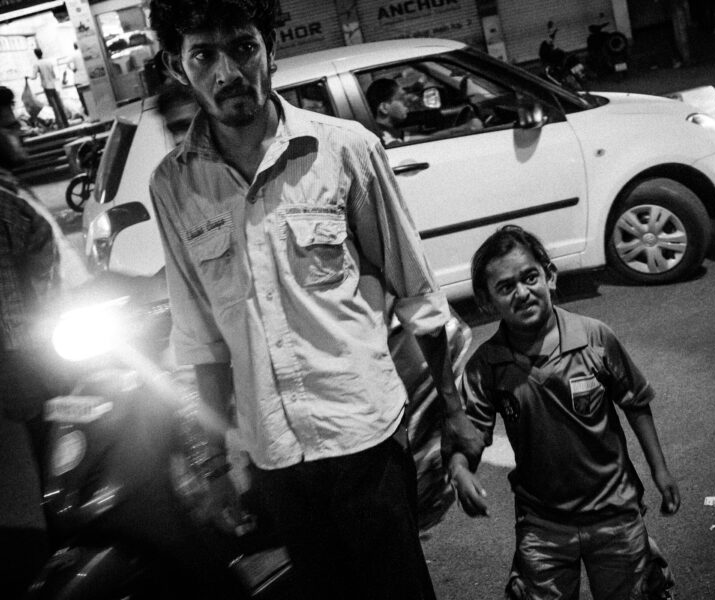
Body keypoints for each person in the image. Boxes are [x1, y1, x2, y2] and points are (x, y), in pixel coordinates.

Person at [146, 1, 483, 599]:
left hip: (365, 438)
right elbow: (198, 337)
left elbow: (416, 292)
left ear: (270, 47)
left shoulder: (343, 148)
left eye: (242, 47)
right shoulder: (173, 185)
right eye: (204, 54)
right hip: (274, 456)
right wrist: (218, 464)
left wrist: (455, 412)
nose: (227, 72)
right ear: (178, 66)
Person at [449, 225, 681, 600]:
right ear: (487, 302)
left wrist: (660, 470)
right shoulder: (486, 366)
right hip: (542, 525)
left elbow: (635, 402)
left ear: (549, 276)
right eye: (506, 287)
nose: (522, 292)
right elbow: (471, 432)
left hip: (615, 512)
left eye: (529, 277)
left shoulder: (594, 337)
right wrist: (460, 469)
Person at [0, 85, 58, 599]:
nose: (19, 129)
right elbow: (40, 248)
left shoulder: (10, 191)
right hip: (13, 370)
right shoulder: (4, 202)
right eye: (8, 123)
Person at [27, 48, 69, 130]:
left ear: (35, 54)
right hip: (54, 85)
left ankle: (60, 124)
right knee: (59, 104)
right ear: (42, 53)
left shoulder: (37, 64)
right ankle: (65, 122)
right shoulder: (49, 62)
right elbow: (54, 74)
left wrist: (28, 77)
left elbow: (34, 77)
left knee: (54, 106)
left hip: (47, 86)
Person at [366, 77, 409, 145]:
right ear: (384, 108)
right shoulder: (387, 140)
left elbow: (408, 138)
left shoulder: (387, 131)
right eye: (401, 99)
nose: (407, 103)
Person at [67, 42, 91, 118]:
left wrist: (73, 69)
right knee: (90, 96)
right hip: (87, 77)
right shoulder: (84, 53)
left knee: (82, 98)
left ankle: (87, 113)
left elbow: (67, 63)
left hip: (78, 78)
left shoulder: (73, 55)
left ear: (74, 47)